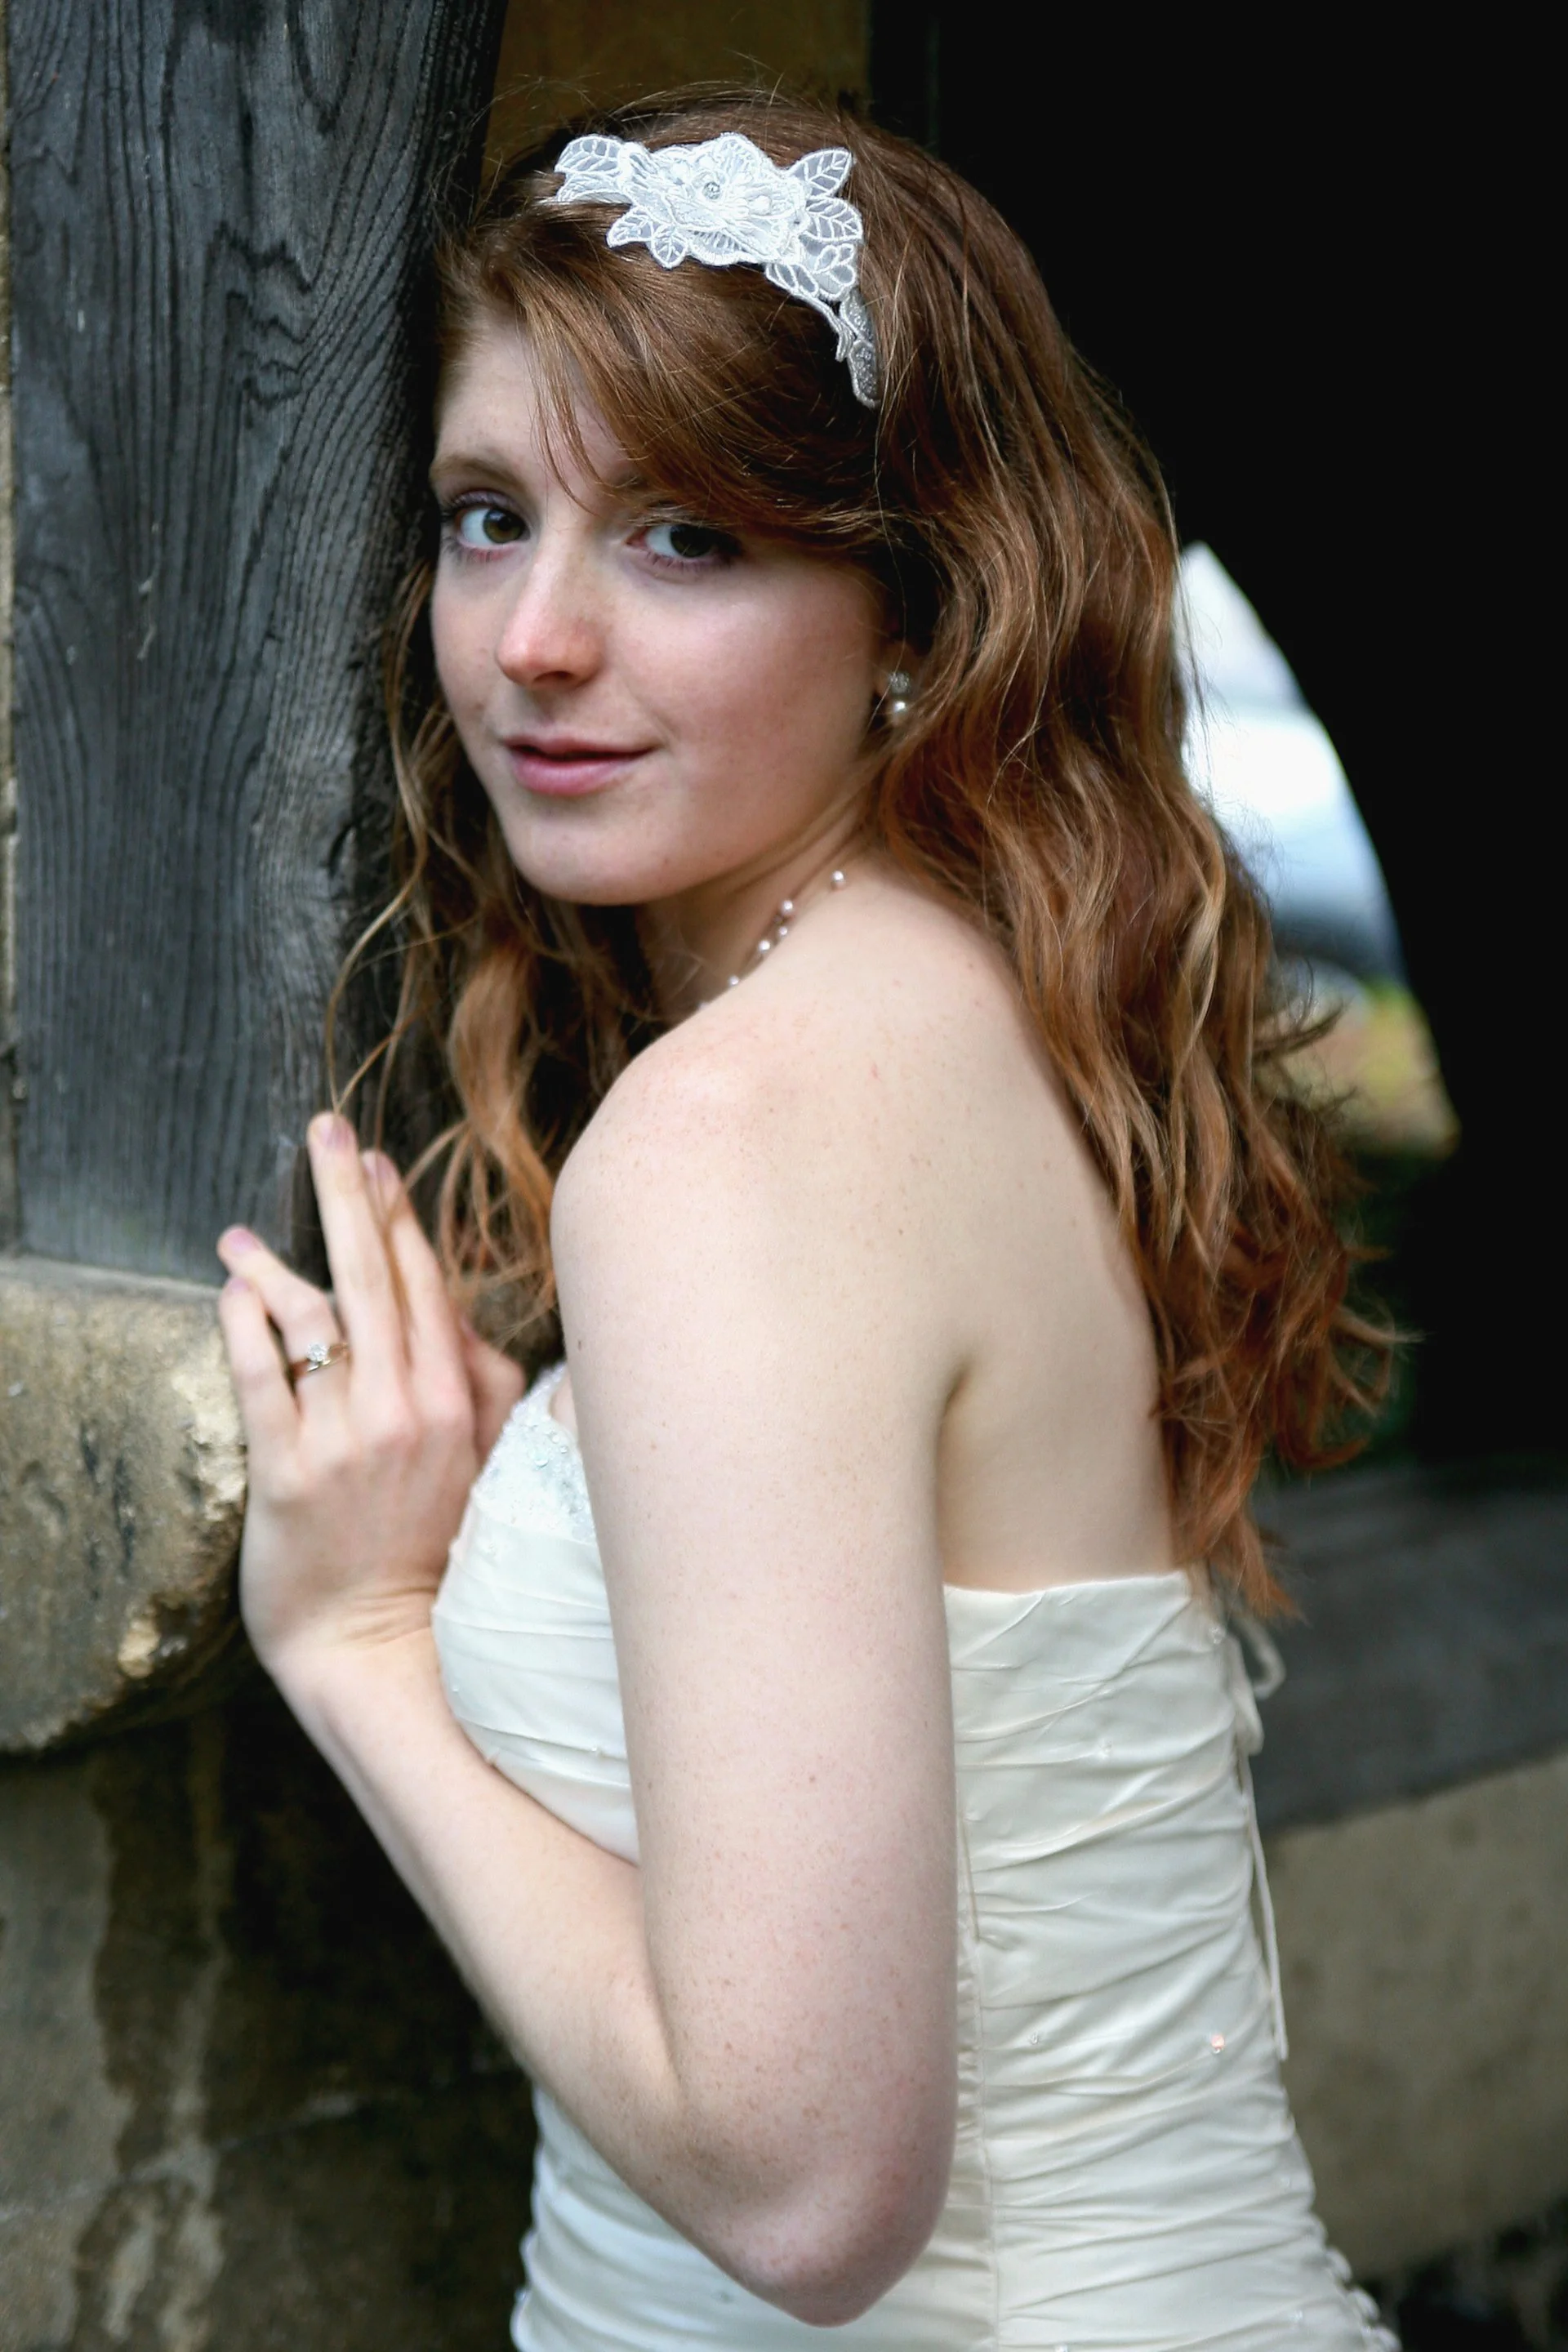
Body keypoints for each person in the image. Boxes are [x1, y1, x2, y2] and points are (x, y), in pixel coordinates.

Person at [215, 88, 1397, 2350]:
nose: (536, 638)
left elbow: (810, 2190)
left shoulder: (736, 1144)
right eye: (487, 517)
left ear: (913, 607)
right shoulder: (1006, 998)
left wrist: (358, 1649)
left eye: (684, 539)